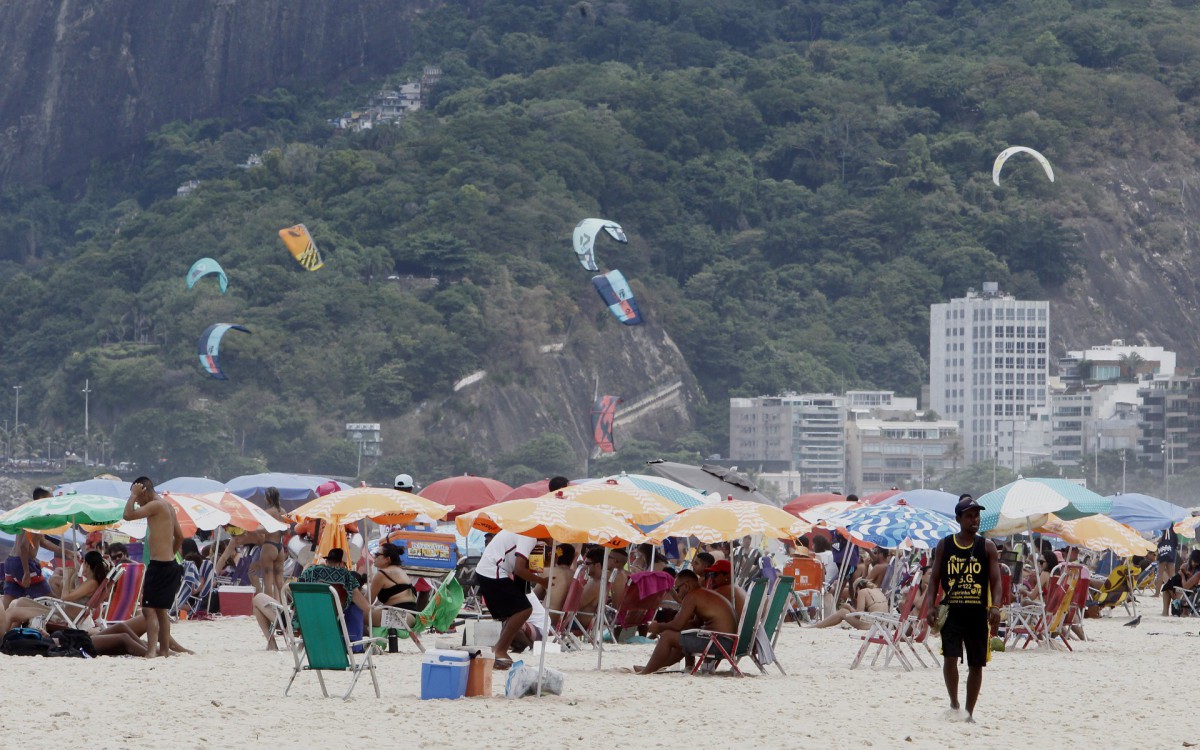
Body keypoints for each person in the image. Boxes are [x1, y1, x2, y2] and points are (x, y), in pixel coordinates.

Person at [926, 494, 1002, 723]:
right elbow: (934, 578)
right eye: (969, 516)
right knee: (950, 657)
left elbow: (996, 580)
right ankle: (954, 703)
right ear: (959, 518)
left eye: (977, 516)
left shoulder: (987, 547)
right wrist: (930, 605)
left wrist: (996, 606)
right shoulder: (945, 545)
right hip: (952, 611)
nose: (974, 520)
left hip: (977, 612)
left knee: (976, 663)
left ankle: (969, 712)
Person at [123, 476, 184, 658]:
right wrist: (170, 555)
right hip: (169, 564)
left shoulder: (155, 505)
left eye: (139, 497)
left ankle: (151, 651)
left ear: (144, 492)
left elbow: (127, 515)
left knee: (149, 610)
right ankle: (163, 651)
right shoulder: (167, 506)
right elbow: (179, 537)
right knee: (161, 611)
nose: (138, 502)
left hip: (159, 565)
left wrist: (133, 495)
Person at [473, 529, 550, 669]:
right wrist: (542, 581)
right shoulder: (530, 536)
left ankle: (498, 651)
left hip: (488, 570)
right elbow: (519, 570)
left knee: (516, 612)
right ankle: (500, 650)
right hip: (492, 571)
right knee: (524, 610)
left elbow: (518, 569)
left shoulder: (525, 532)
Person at [637, 570, 736, 675]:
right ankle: (659, 666)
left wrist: (659, 627)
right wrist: (676, 626)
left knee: (667, 636)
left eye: (677, 589)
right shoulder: (703, 594)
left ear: (686, 586)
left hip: (719, 643)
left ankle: (647, 671)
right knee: (684, 633)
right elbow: (694, 623)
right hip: (725, 642)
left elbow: (677, 625)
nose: (677, 593)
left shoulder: (692, 596)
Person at [3, 488, 63, 607]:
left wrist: (65, 552)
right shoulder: (36, 517)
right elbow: (24, 547)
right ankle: (68, 622)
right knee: (50, 599)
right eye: (50, 499)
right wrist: (26, 571)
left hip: (11, 562)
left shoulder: (28, 514)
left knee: (8, 603)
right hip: (22, 563)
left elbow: (42, 542)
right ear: (41, 499)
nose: (53, 502)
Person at [368, 542, 417, 626]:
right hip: (411, 617)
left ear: (387, 559)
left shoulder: (382, 574)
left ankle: (354, 637)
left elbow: (367, 601)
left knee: (358, 613)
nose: (374, 557)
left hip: (399, 616)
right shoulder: (400, 571)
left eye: (377, 554)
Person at [811, 578, 888, 629]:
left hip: (872, 626)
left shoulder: (862, 592)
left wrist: (849, 607)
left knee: (842, 612)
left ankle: (816, 626)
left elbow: (859, 615)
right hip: (884, 625)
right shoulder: (878, 591)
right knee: (844, 612)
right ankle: (818, 625)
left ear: (857, 588)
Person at [259, 487, 289, 602]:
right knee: (280, 581)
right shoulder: (283, 511)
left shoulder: (267, 512)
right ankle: (283, 607)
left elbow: (264, 530)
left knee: (268, 581)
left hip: (269, 546)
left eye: (265, 496)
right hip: (279, 547)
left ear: (268, 497)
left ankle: (269, 606)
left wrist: (253, 529)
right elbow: (287, 531)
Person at [534, 543, 576, 618]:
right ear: (572, 558)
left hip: (546, 618)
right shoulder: (575, 575)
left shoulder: (549, 572)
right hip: (564, 621)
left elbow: (535, 596)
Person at [1158, 527, 1181, 616]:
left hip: (1163, 550)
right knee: (1172, 575)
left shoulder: (1163, 527)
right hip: (1171, 551)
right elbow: (1176, 543)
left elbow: (1160, 539)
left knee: (1161, 573)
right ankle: (1166, 610)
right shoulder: (1173, 530)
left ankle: (1157, 594)